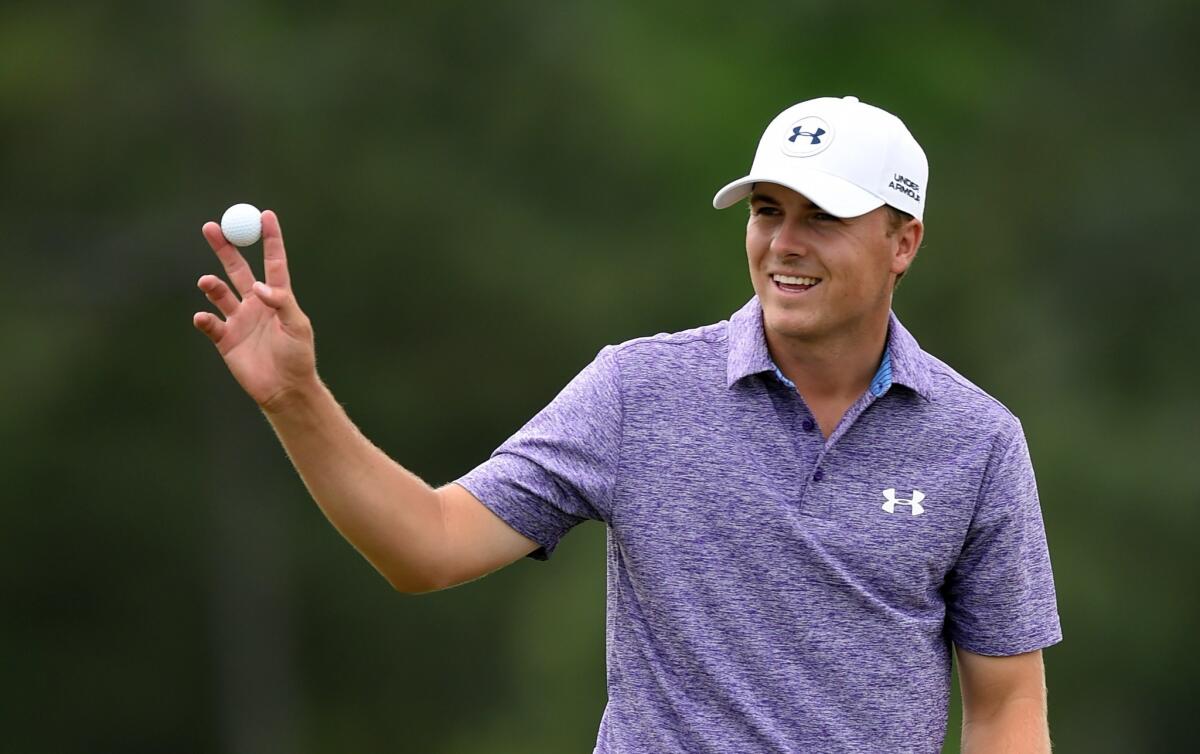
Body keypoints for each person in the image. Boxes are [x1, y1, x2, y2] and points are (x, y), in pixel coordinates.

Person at [193, 95, 1062, 753]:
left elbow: (1007, 703)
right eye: (767, 211)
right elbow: (430, 545)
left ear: (903, 242)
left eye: (823, 218)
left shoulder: (978, 441)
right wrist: (295, 399)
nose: (784, 243)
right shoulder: (637, 389)